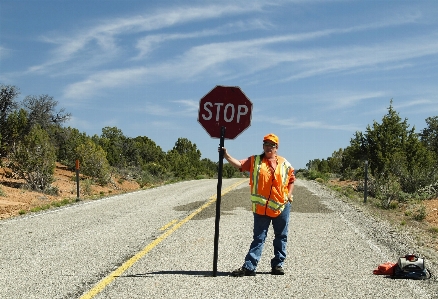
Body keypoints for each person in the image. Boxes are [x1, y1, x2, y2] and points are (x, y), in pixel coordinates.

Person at [219, 133, 295, 277]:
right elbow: (240, 164)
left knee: (281, 236)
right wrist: (226, 156)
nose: (268, 147)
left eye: (271, 145)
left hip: (281, 206)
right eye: (266, 144)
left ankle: (278, 265)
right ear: (263, 146)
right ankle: (249, 267)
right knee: (259, 238)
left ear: (276, 147)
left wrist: (289, 195)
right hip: (261, 209)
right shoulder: (255, 161)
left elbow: (291, 179)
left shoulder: (285, 163)